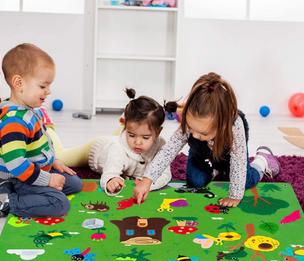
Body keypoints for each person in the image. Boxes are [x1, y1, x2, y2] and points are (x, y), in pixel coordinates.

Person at [133, 72, 280, 207]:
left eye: (202, 133)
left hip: (229, 155)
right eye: (192, 129)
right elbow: (168, 151)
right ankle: (215, 170)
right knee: (195, 182)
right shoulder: (190, 121)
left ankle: (263, 161)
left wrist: (235, 195)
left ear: (222, 126)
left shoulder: (234, 126)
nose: (195, 135)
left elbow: (238, 161)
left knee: (244, 181)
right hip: (202, 154)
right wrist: (147, 180)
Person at [0, 43, 82, 217]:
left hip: (36, 169)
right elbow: (16, 164)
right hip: (19, 179)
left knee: (74, 183)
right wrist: (49, 179)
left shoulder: (26, 110)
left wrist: (53, 162)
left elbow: (39, 144)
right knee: (59, 203)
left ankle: (42, 188)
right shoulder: (12, 121)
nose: (48, 91)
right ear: (19, 83)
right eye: (43, 86)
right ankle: (5, 200)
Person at [88, 88, 171, 196]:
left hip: (117, 137)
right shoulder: (117, 148)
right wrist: (111, 180)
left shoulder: (161, 145)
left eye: (145, 137)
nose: (137, 142)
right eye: (131, 135)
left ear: (158, 132)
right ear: (126, 127)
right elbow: (110, 172)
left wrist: (148, 183)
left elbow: (165, 174)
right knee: (65, 157)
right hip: (98, 150)